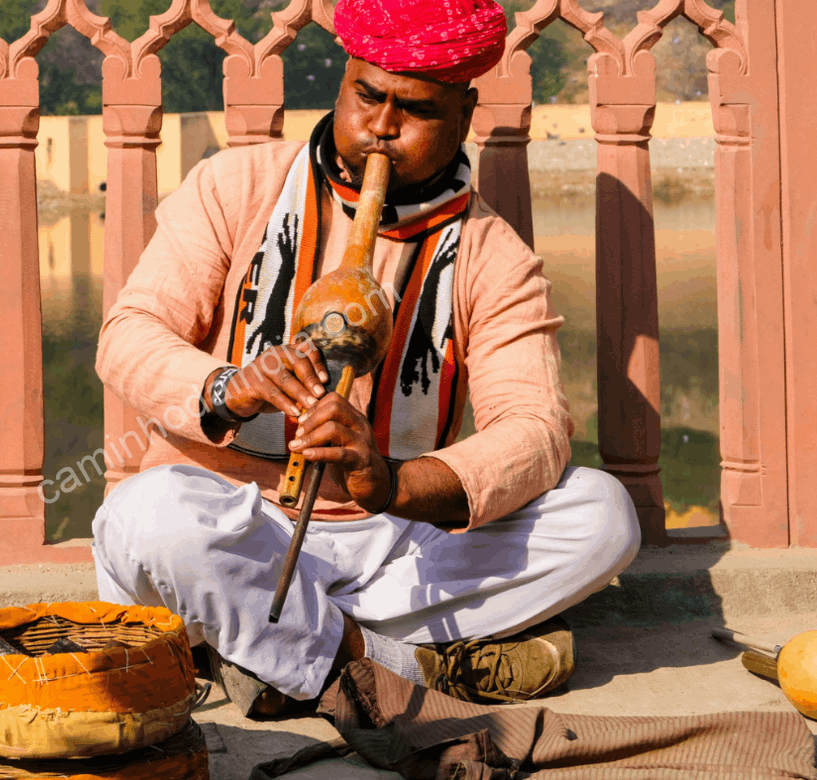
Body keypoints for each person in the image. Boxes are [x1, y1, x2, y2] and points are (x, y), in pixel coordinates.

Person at [90, 0, 640, 717]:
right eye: (367, 97)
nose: (381, 127)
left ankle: (268, 649)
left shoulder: (490, 252)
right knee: (145, 518)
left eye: (413, 110)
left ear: (463, 114)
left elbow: (533, 427)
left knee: (601, 516)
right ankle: (386, 662)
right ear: (344, 82)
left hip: (392, 539)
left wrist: (390, 482)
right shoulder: (234, 186)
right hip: (236, 523)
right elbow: (128, 335)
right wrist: (231, 385)